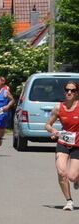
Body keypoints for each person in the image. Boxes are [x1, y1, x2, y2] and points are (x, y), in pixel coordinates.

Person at [44, 79, 79, 211]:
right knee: (61, 171)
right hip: (63, 142)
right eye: (67, 90)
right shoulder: (59, 108)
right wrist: (53, 131)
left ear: (76, 93)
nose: (69, 92)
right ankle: (69, 201)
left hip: (78, 144)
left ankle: (77, 179)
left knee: (72, 176)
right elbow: (47, 124)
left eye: (73, 90)